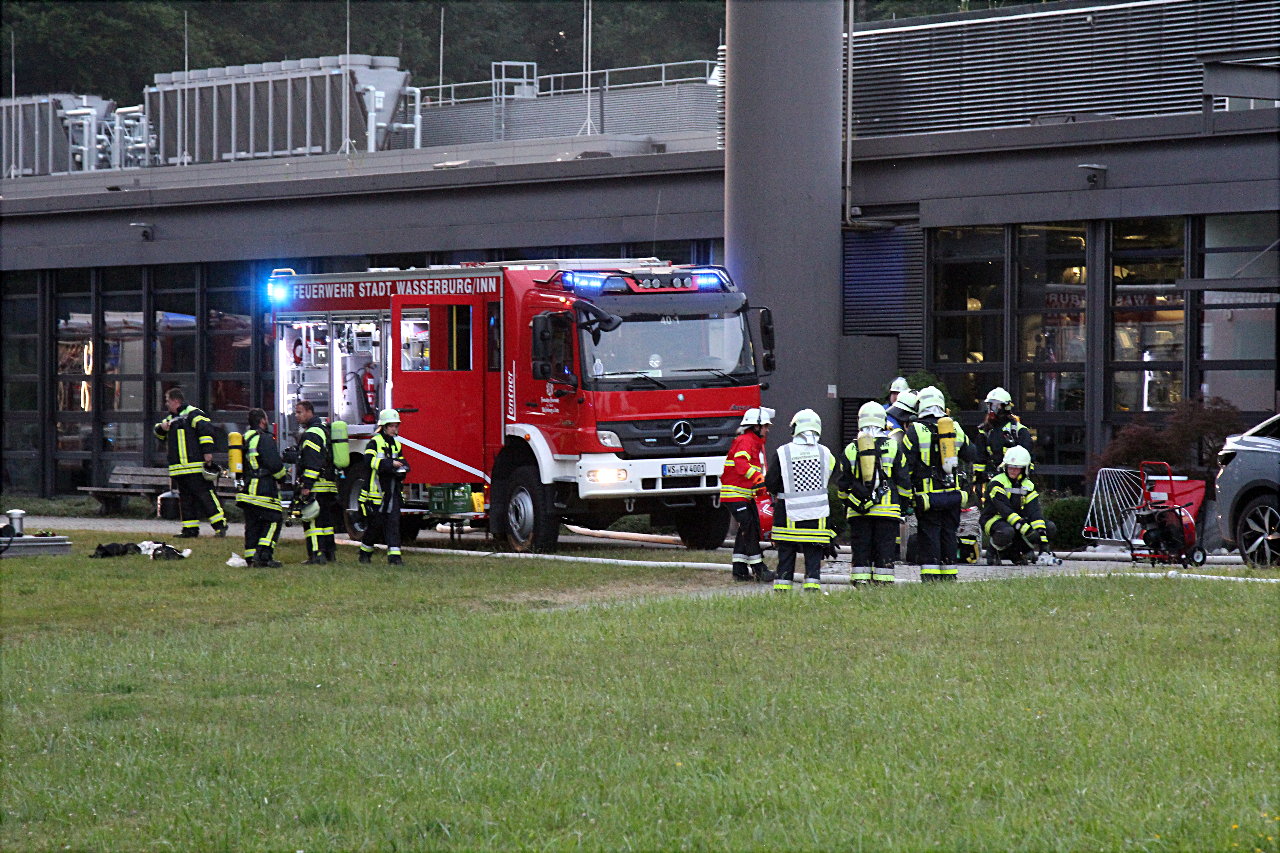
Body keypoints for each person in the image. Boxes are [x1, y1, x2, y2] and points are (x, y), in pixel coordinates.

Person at [902, 385, 974, 581]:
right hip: (953, 495)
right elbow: (971, 454)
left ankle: (931, 578)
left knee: (930, 534)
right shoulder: (954, 428)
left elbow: (906, 465)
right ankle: (949, 575)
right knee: (949, 533)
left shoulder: (916, 430)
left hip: (928, 497)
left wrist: (906, 495)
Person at [837, 401, 912, 586]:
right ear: (883, 421)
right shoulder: (893, 446)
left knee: (861, 549)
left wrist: (849, 504)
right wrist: (903, 507)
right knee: (885, 549)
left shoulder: (850, 449)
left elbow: (843, 485)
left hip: (859, 513)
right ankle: (883, 584)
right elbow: (904, 482)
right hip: (887, 511)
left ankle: (861, 583)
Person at [766, 408, 836, 592]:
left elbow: (771, 482)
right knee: (813, 556)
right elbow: (828, 477)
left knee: (786, 556)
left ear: (795, 428)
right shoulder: (826, 453)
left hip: (788, 517)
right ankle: (812, 588)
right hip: (817, 517)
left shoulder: (783, 452)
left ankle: (782, 590)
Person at [153, 387, 227, 538]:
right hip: (180, 469)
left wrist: (207, 452)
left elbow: (206, 432)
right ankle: (189, 530)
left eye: (168, 401)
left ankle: (220, 526)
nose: (166, 404)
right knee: (186, 501)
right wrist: (161, 427)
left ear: (176, 401)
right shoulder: (171, 419)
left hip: (194, 467)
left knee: (205, 497)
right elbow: (158, 434)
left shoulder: (193, 414)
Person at [720, 407, 775, 583]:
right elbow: (741, 462)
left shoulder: (753, 442)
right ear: (756, 426)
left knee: (747, 528)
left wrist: (759, 487)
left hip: (743, 495)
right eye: (765, 426)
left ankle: (740, 569)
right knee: (749, 528)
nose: (767, 430)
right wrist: (757, 477)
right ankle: (759, 569)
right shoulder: (745, 440)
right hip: (734, 494)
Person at [980, 445, 1058, 565]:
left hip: (1019, 521)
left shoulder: (1028, 485)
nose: (1012, 470)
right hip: (994, 519)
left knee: (1050, 527)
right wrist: (1026, 530)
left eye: (1017, 468)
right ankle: (993, 551)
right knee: (1007, 531)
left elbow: (1034, 512)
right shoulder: (997, 482)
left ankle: (1018, 552)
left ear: (1024, 469)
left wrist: (1043, 541)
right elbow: (1005, 510)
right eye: (1010, 467)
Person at [358, 408, 410, 565]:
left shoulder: (396, 444)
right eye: (391, 426)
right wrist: (390, 464)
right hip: (377, 492)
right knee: (375, 525)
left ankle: (395, 558)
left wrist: (404, 468)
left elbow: (402, 460)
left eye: (396, 426)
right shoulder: (374, 442)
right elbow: (369, 461)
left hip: (392, 491)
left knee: (393, 523)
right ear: (384, 427)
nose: (395, 429)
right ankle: (365, 553)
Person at [236, 408, 287, 567]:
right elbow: (274, 464)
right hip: (263, 489)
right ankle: (264, 556)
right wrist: (283, 477)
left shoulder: (244, 439)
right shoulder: (264, 438)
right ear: (262, 421)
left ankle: (251, 557)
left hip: (247, 490)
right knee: (274, 519)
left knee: (252, 524)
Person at [294, 399, 340, 565]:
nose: (296, 416)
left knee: (312, 521)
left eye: (299, 412)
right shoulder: (323, 430)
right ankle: (329, 554)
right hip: (327, 485)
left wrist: (307, 485)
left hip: (316, 486)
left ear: (309, 412)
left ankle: (316, 555)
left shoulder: (312, 434)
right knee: (326, 522)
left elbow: (312, 462)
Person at [973, 387, 1034, 489]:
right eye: (990, 405)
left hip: (1014, 481)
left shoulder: (1019, 431)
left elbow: (1027, 458)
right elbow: (979, 459)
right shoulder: (985, 431)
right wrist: (978, 481)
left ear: (1006, 407)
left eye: (996, 405)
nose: (992, 409)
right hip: (992, 482)